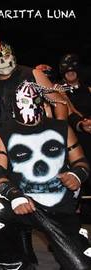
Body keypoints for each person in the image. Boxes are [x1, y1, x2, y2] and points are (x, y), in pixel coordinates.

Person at [0, 81, 91, 270]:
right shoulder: (4, 133)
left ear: (42, 102)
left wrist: (77, 174)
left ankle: (77, 239)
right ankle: (18, 265)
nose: (28, 106)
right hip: (26, 204)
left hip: (59, 209)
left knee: (80, 267)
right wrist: (14, 195)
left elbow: (81, 161)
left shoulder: (61, 128)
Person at [0, 34, 68, 126]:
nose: (2, 62)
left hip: (37, 133)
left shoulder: (33, 74)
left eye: (6, 56)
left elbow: (59, 101)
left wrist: (60, 128)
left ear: (13, 56)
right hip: (7, 137)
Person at [58, 54, 91, 186]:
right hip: (73, 134)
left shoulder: (88, 89)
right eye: (67, 71)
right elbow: (69, 111)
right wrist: (82, 123)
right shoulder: (59, 89)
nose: (70, 74)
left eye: (73, 71)